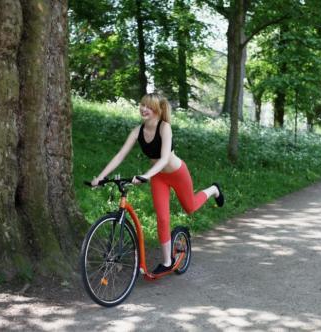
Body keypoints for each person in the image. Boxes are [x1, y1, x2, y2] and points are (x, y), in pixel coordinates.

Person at [91, 92, 224, 274]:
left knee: (190, 207)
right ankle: (168, 261)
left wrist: (145, 175)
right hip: (158, 177)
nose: (144, 109)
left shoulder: (164, 128)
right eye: (142, 105)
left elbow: (163, 159)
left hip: (177, 173)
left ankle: (214, 189)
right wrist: (100, 177)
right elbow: (120, 156)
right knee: (162, 218)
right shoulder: (137, 131)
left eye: (149, 106)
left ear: (157, 110)